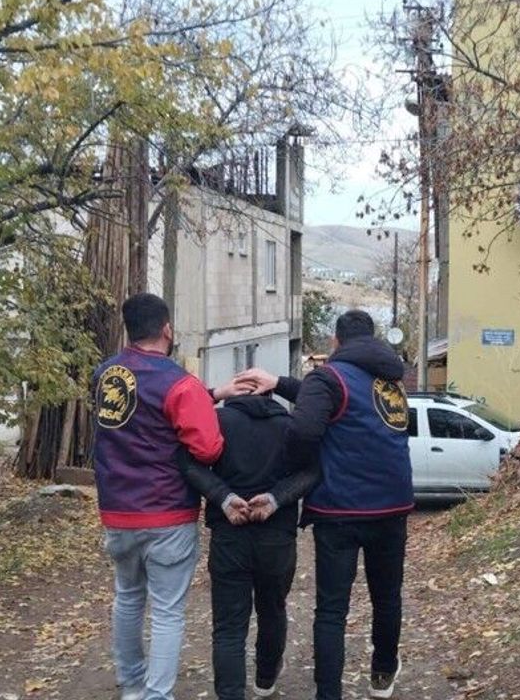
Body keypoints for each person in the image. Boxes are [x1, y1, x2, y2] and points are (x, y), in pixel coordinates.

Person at [236, 310, 412, 700]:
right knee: (387, 597)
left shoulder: (328, 377)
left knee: (332, 610)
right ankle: (383, 673)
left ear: (336, 341)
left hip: (340, 510)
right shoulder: (391, 383)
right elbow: (338, 403)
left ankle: (328, 694)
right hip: (393, 507)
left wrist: (293, 470)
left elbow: (305, 426)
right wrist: (279, 383)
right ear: (372, 340)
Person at [92, 292, 244, 700]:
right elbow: (207, 449)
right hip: (166, 513)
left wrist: (212, 394)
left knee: (127, 598)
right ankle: (157, 695)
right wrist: (208, 406)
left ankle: (131, 687)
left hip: (117, 511)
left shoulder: (105, 375)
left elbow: (147, 408)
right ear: (167, 330)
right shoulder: (179, 383)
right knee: (166, 611)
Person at [177, 390, 321, 700]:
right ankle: (266, 679)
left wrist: (223, 497)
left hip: (230, 533)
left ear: (235, 395)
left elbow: (188, 464)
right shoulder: (289, 426)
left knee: (228, 626)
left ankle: (230, 693)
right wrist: (276, 498)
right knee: (273, 610)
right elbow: (311, 471)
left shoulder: (218, 421)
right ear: (270, 394)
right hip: (277, 537)